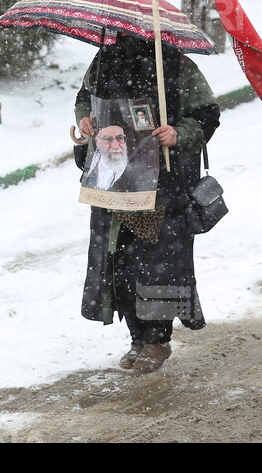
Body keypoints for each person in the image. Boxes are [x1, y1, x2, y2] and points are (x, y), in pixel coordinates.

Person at [75, 34, 220, 373]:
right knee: (120, 261)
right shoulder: (103, 61)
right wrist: (85, 119)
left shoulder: (176, 65)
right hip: (113, 184)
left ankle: (157, 339)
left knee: (158, 262)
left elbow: (207, 112)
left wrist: (178, 133)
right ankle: (137, 337)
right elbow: (84, 98)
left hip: (163, 187)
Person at [81, 124, 158, 193]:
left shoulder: (142, 171)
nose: (115, 146)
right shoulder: (90, 167)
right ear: (97, 142)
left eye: (120, 138)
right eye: (108, 139)